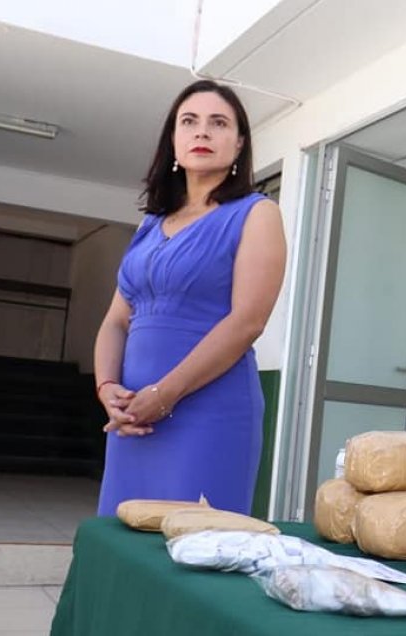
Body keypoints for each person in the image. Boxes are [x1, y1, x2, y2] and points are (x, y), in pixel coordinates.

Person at [94, 79, 286, 516]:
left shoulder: (258, 213)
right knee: (123, 543)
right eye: (189, 122)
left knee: (190, 549)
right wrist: (107, 388)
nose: (202, 132)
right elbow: (116, 320)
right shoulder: (149, 225)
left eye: (218, 123)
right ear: (174, 141)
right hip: (132, 421)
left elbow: (248, 322)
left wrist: (164, 395)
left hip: (208, 415)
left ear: (239, 144)